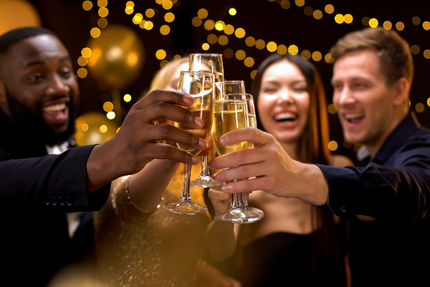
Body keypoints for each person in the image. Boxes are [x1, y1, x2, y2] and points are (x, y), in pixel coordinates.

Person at [208, 27, 430, 286]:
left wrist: (296, 176)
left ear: (398, 91)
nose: (344, 99)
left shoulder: (418, 149)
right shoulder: (366, 159)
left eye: (359, 85)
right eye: (338, 86)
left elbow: (410, 192)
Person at [0, 27, 207, 286]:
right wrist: (106, 157)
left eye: (65, 73)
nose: (58, 87)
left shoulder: (61, 142)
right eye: (36, 77)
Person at [201, 53, 352, 287]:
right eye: (271, 89)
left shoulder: (340, 169)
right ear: (253, 104)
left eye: (299, 88)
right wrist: (223, 216)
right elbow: (220, 254)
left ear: (315, 99)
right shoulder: (245, 181)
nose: (285, 98)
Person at [93, 57, 215, 287]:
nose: (189, 96)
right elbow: (127, 208)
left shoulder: (205, 176)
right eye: (178, 84)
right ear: (155, 95)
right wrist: (177, 141)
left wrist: (202, 270)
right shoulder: (124, 154)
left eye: (203, 88)